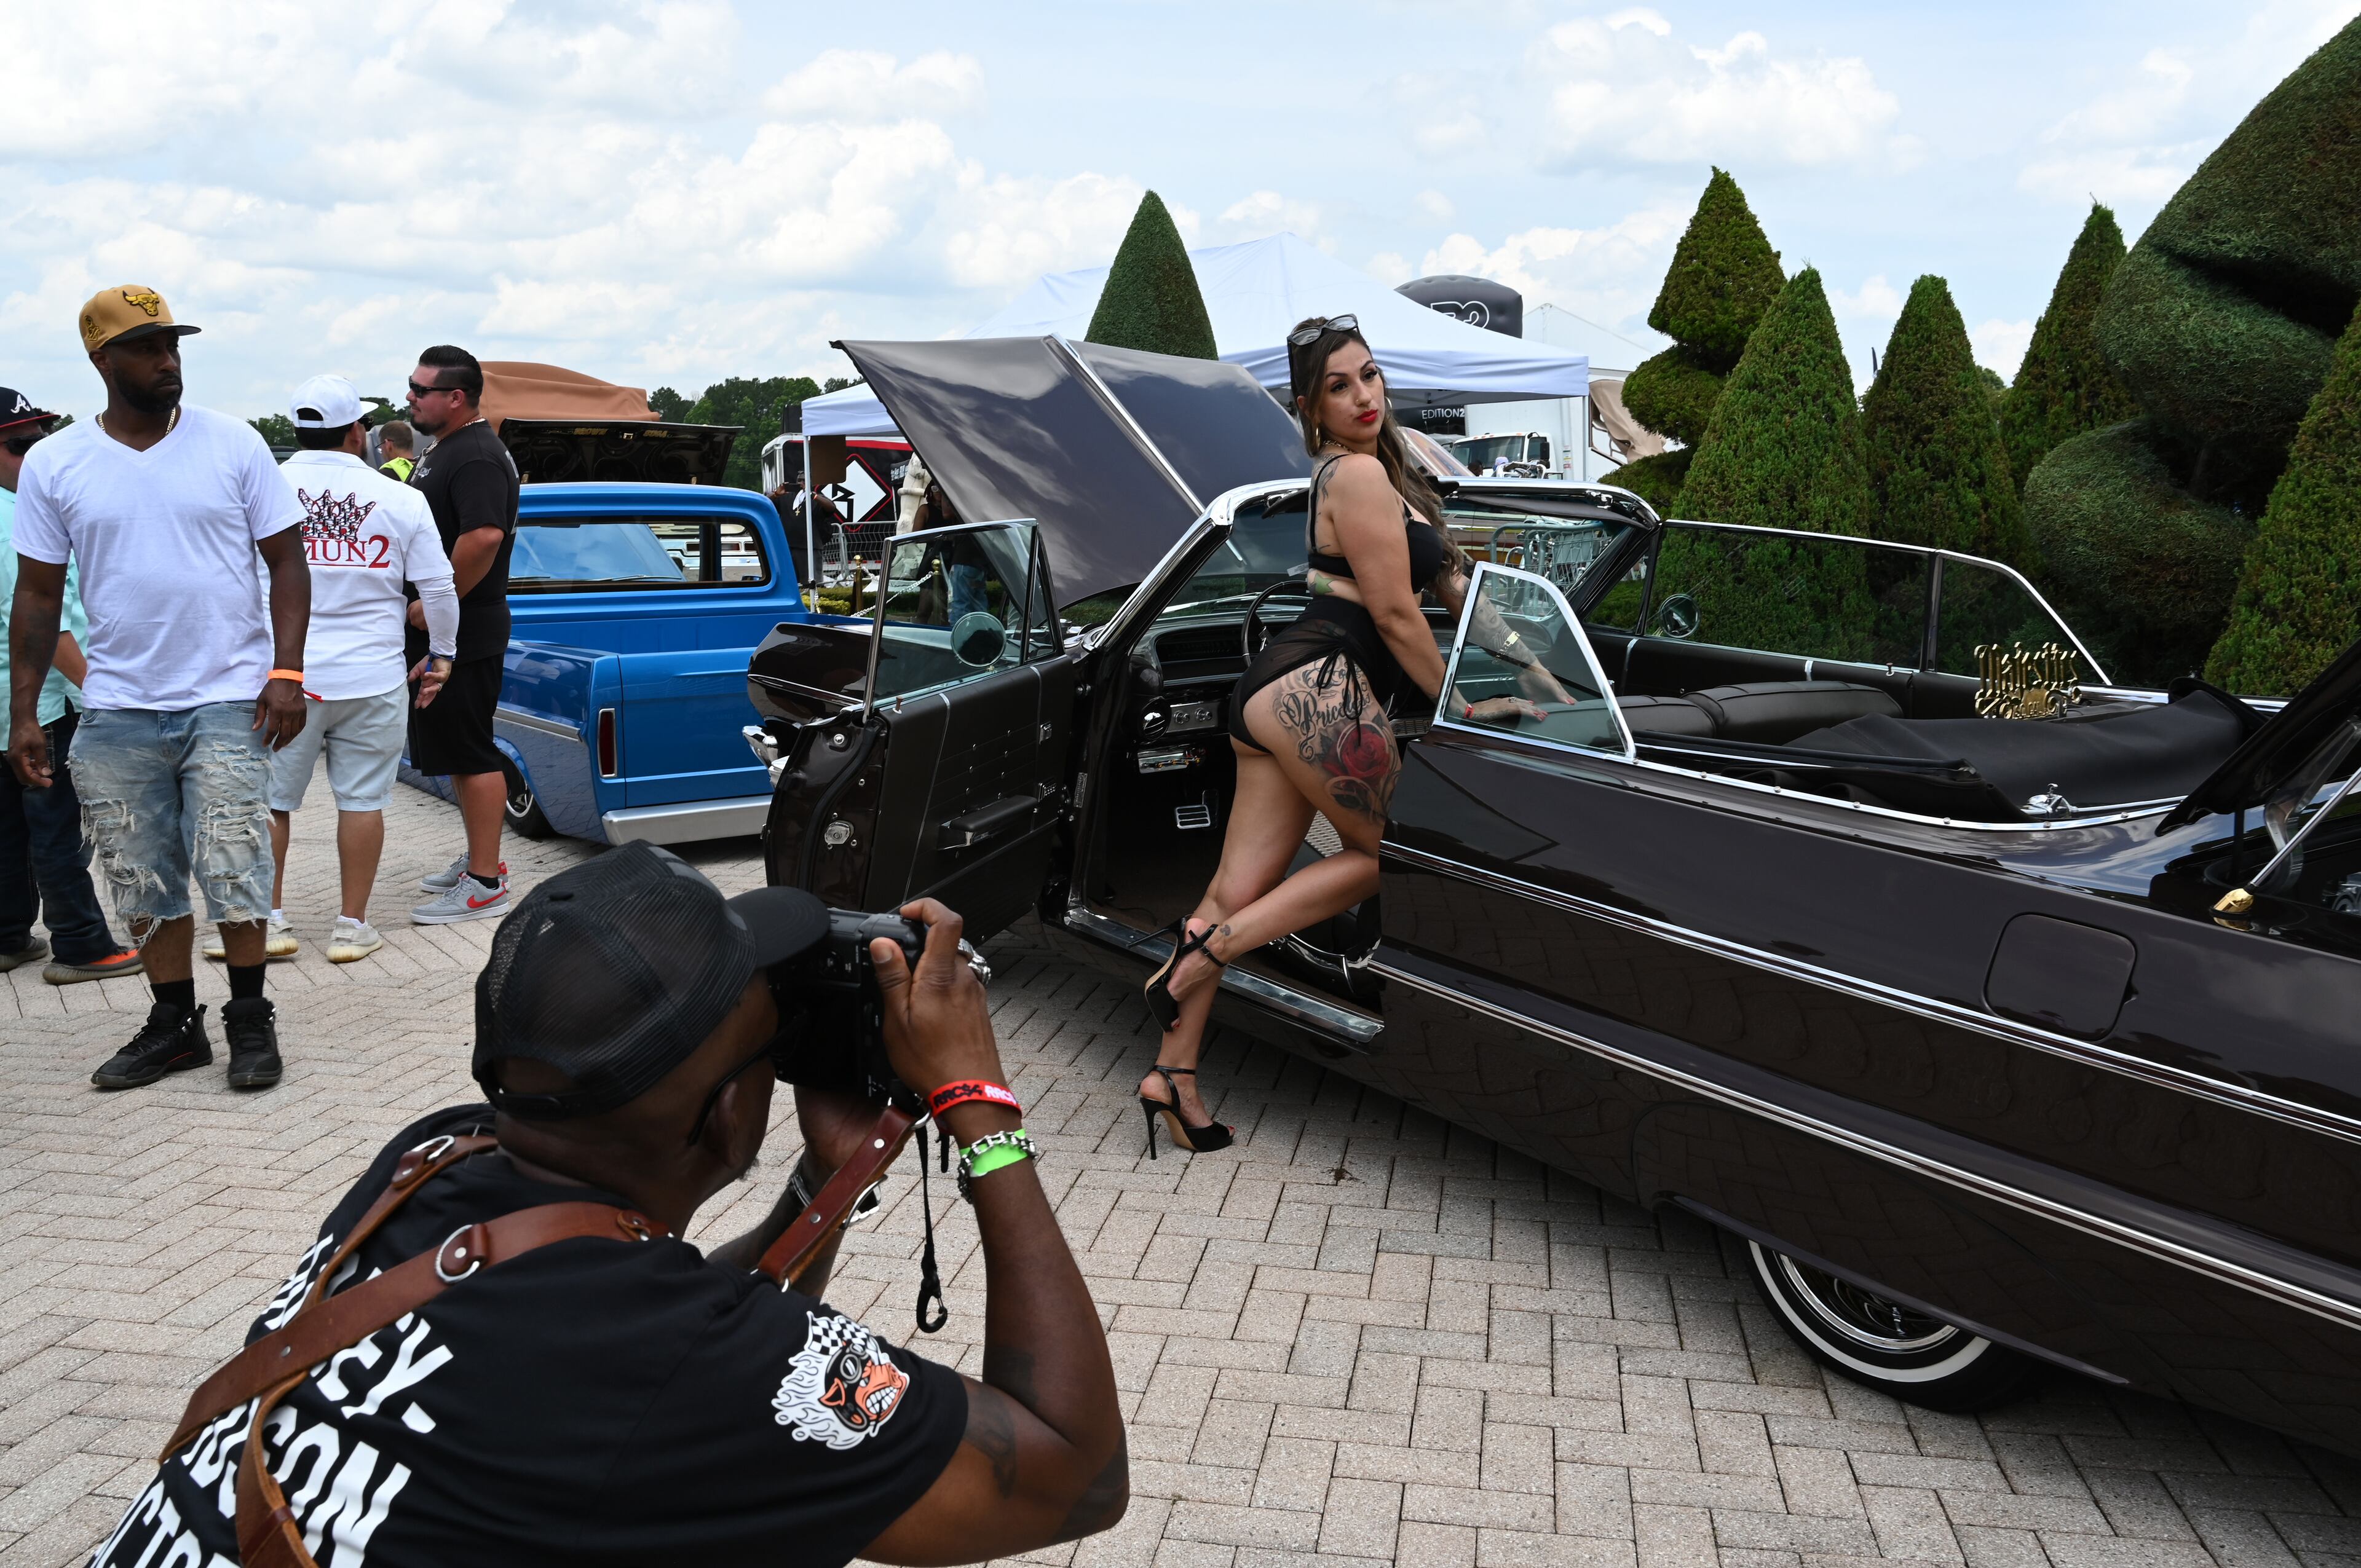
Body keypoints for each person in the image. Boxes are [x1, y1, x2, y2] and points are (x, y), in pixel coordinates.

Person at [93, 850, 1128, 1567]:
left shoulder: (438, 1156)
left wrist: (826, 1184)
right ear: (728, 1114)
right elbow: (1072, 1473)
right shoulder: (669, 1357)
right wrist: (978, 1108)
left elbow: (661, 1343)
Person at [1135, 316, 1554, 1153]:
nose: (1363, 395)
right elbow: (1399, 617)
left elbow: (1459, 589)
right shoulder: (1354, 474)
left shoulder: (1389, 480)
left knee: (1232, 885)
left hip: (1286, 693)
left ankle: (1172, 1077)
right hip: (1317, 684)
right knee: (1387, 853)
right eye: (1339, 386)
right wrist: (1462, 707)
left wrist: (1541, 670)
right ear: (1311, 409)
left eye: (1370, 376)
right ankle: (1207, 954)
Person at [6, 285, 311, 1092]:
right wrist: (23, 712)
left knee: (234, 862)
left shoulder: (233, 445)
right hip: (116, 706)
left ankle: (249, 1016)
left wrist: (287, 671)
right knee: (141, 875)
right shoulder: (58, 462)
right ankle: (175, 1020)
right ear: (103, 360)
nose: (167, 359)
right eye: (146, 347)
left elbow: (288, 560)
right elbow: (37, 595)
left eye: (172, 343)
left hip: (227, 699)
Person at [240, 374, 459, 964]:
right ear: (357, 431)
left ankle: (271, 919)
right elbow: (438, 585)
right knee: (362, 802)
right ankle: (350, 925)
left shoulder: (266, 489)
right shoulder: (401, 496)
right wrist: (443, 653)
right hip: (373, 674)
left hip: (287, 678)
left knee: (272, 803)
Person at [0, 388, 143, 986]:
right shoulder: (14, 519)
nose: (35, 455)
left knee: (8, 829)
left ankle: (8, 935)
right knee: (56, 828)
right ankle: (82, 944)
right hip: (43, 705)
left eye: (41, 441)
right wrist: (104, 694)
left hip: (10, 706)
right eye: (20, 444)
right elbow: (45, 626)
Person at [401, 345, 520, 924]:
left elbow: (484, 538)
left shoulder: (475, 455)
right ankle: (482, 856)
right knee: (457, 749)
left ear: (456, 397)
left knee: (472, 751)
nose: (409, 398)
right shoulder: (449, 448)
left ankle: (485, 881)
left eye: (420, 390)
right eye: (411, 386)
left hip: (463, 631)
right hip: (452, 626)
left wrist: (436, 601)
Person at [376, 417, 416, 481]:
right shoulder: (424, 468)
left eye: (381, 448)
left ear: (388, 445)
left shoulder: (384, 475)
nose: (382, 453)